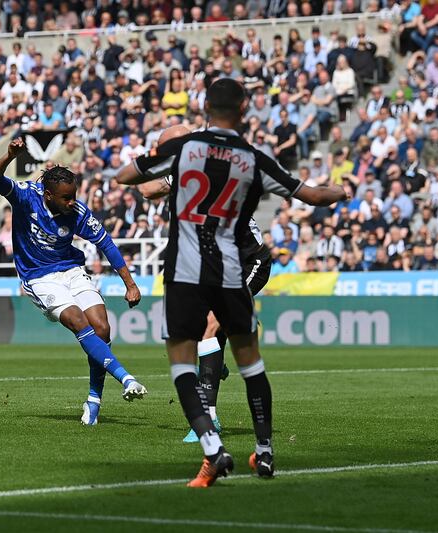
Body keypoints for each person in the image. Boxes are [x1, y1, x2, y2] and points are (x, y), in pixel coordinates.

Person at [117, 79, 346, 487]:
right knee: (247, 358)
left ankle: (211, 444)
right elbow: (310, 196)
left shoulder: (185, 152)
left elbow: (127, 178)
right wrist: (340, 191)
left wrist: (159, 154)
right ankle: (264, 450)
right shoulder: (250, 159)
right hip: (226, 270)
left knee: (187, 352)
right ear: (243, 108)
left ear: (205, 106)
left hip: (211, 267)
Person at [122, 125, 274, 445]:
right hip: (215, 264)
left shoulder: (209, 167)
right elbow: (147, 190)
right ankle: (220, 352)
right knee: (196, 331)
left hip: (248, 262)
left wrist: (154, 160)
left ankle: (210, 416)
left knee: (207, 327)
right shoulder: (185, 168)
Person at [0, 139, 147, 426]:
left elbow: (106, 244)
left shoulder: (78, 212)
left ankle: (93, 401)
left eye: (73, 196)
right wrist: (10, 156)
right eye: (65, 198)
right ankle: (126, 377)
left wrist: (130, 284)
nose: (72, 203)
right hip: (39, 277)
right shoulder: (25, 197)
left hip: (71, 270)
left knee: (102, 327)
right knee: (77, 321)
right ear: (47, 195)